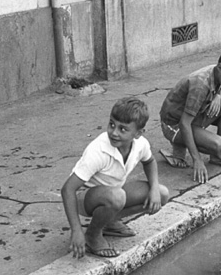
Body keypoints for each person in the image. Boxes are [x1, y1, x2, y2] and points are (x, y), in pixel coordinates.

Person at [61, 97, 169, 259]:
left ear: (138, 133)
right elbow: (68, 189)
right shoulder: (98, 150)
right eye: (112, 124)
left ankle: (107, 222)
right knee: (117, 197)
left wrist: (153, 189)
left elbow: (150, 161)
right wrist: (76, 230)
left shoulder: (141, 145)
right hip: (85, 198)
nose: (114, 132)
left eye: (123, 129)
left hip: (113, 193)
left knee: (162, 194)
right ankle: (93, 234)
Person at [159, 48, 221, 184]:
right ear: (220, 67)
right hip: (175, 125)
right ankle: (214, 150)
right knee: (219, 144)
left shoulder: (217, 72)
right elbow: (184, 123)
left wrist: (217, 95)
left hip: (194, 116)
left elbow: (219, 83)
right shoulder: (200, 86)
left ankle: (216, 156)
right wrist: (197, 159)